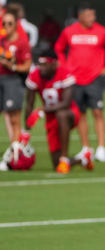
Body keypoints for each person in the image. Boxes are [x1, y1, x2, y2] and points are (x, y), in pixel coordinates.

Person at [55, 2, 105, 162]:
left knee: (97, 112)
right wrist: (64, 67)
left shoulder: (101, 31)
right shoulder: (69, 31)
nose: (93, 18)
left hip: (94, 79)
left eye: (94, 15)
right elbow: (59, 48)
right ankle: (86, 147)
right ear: (80, 16)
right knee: (80, 114)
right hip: (75, 79)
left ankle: (101, 147)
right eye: (89, 15)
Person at [23, 49, 93, 173]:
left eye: (45, 64)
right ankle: (83, 159)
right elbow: (29, 104)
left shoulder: (65, 74)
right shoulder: (35, 75)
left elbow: (66, 103)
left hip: (70, 113)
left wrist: (42, 109)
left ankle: (64, 158)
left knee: (61, 114)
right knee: (56, 165)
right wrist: (26, 131)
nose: (41, 68)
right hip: (51, 119)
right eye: (40, 64)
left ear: (54, 64)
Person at [0, 8, 31, 143]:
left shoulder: (22, 42)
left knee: (14, 117)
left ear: (16, 24)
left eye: (10, 23)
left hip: (13, 81)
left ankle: (15, 152)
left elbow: (27, 67)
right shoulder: (1, 42)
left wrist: (11, 66)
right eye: (4, 23)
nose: (7, 26)